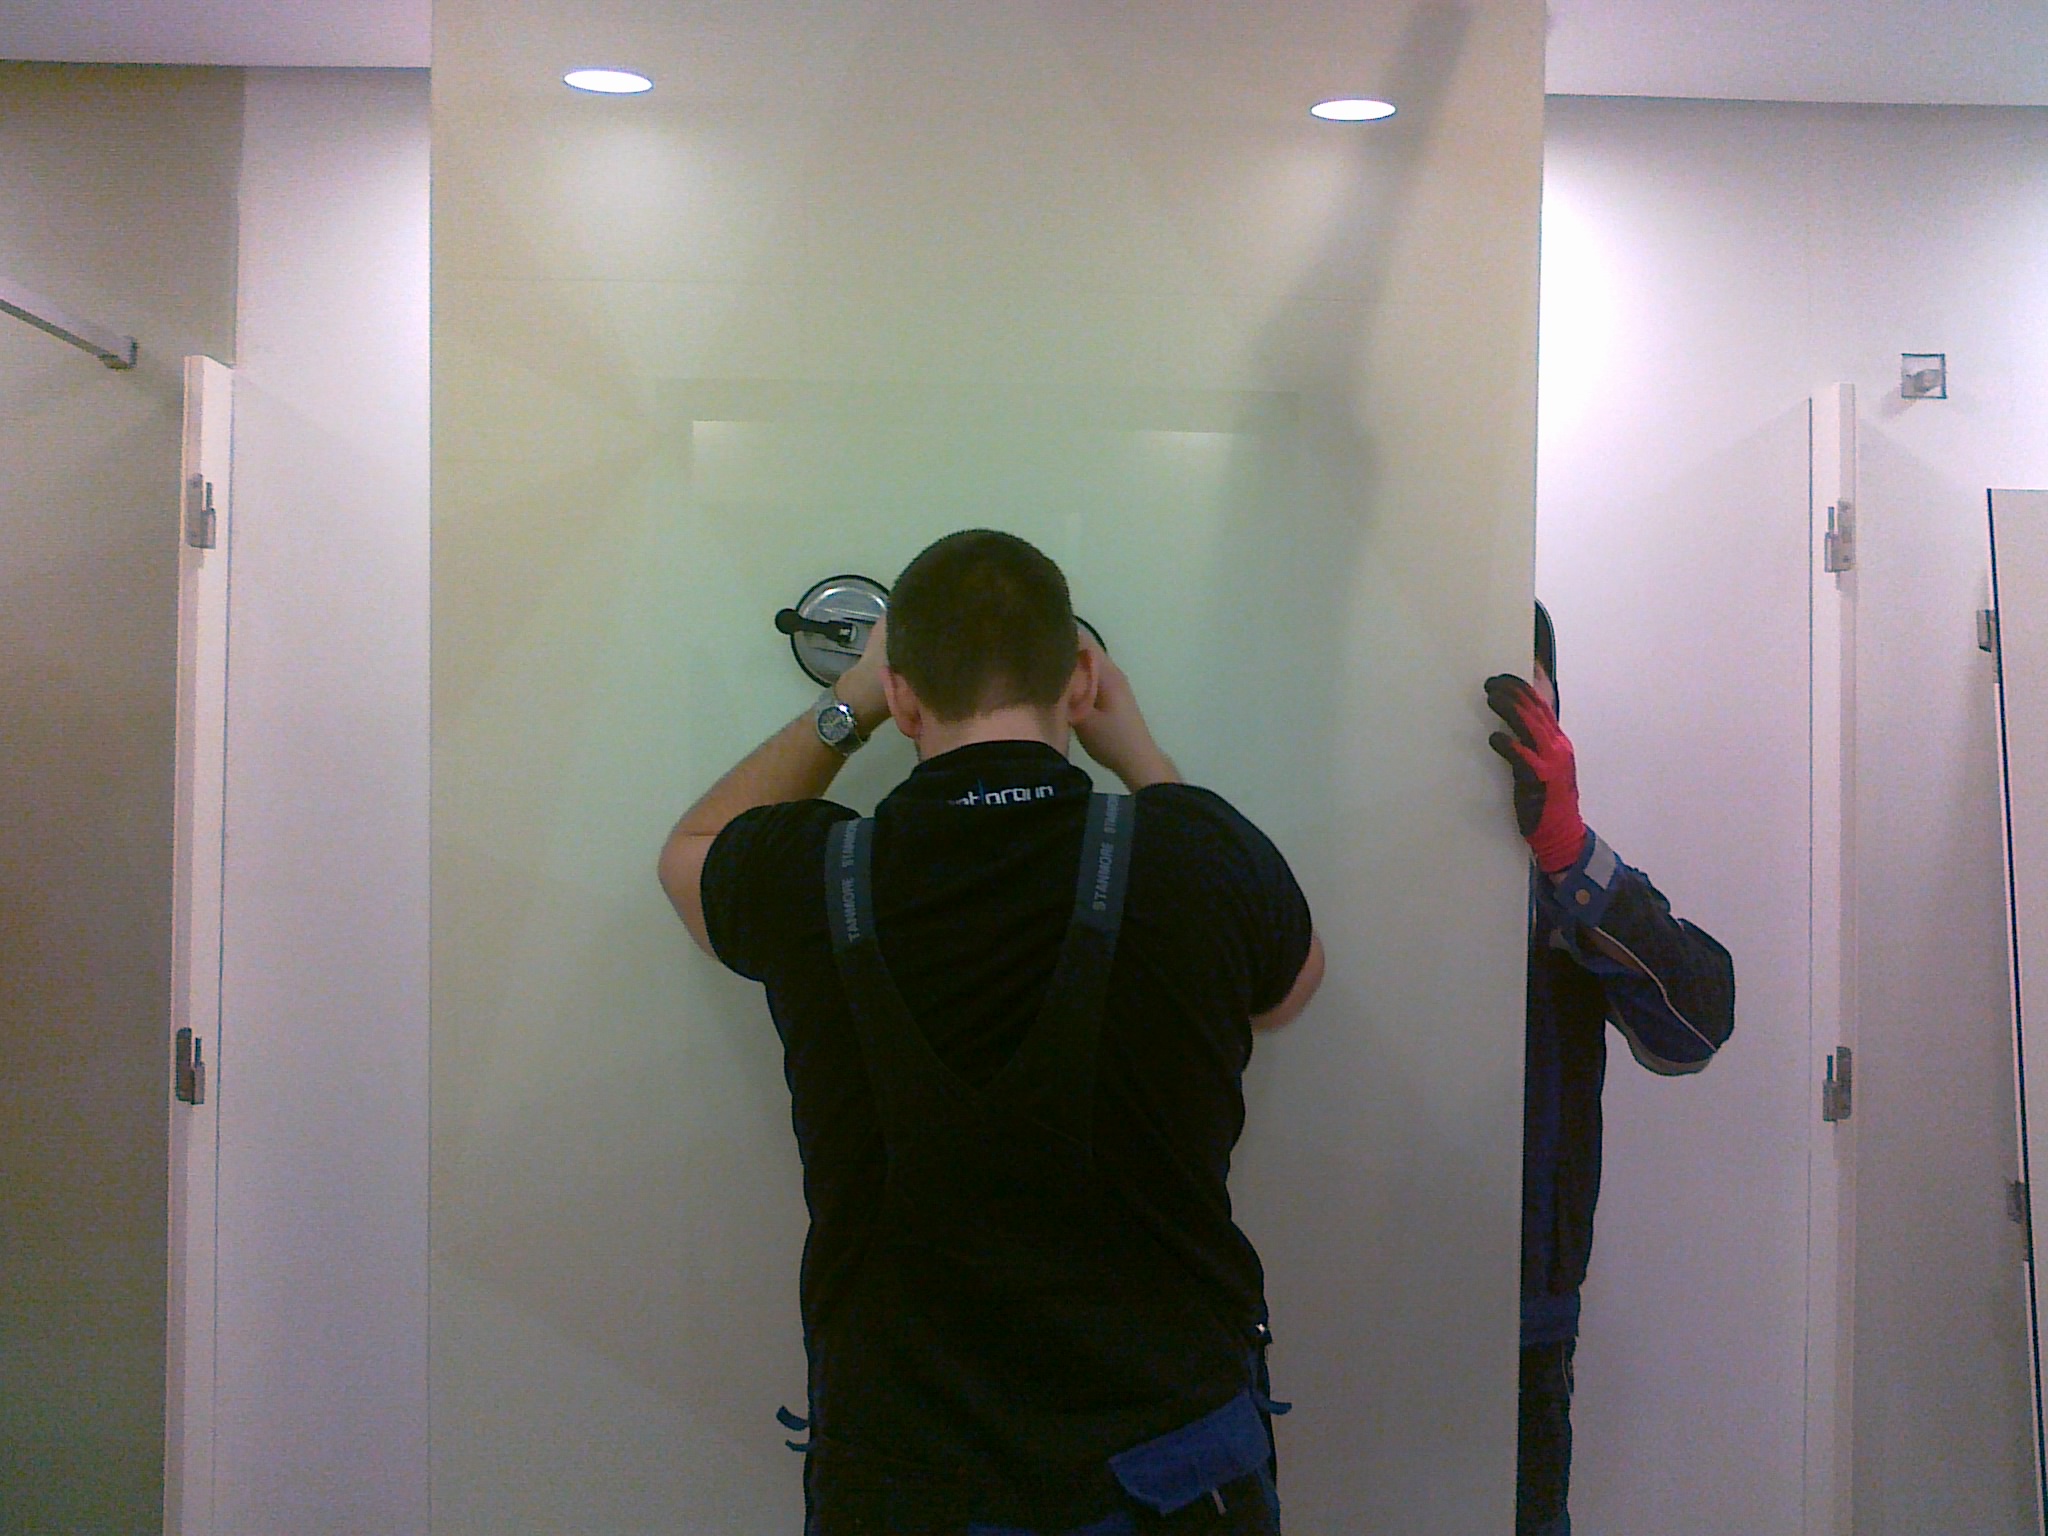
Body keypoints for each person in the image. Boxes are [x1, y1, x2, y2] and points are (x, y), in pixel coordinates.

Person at [659, 529, 1324, 1535]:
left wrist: (849, 703)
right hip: (1177, 1472)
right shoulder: (1193, 854)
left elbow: (689, 852)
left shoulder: (813, 874)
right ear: (1081, 679)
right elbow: (1287, 988)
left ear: (905, 698)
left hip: (905, 1483)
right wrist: (1139, 755)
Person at [1485, 602, 1737, 1536]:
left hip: (1526, 1314)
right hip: (1352, 1285)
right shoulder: (1357, 863)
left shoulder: (1572, 884)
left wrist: (1568, 854)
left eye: (1527, 678)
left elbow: (1697, 1026)